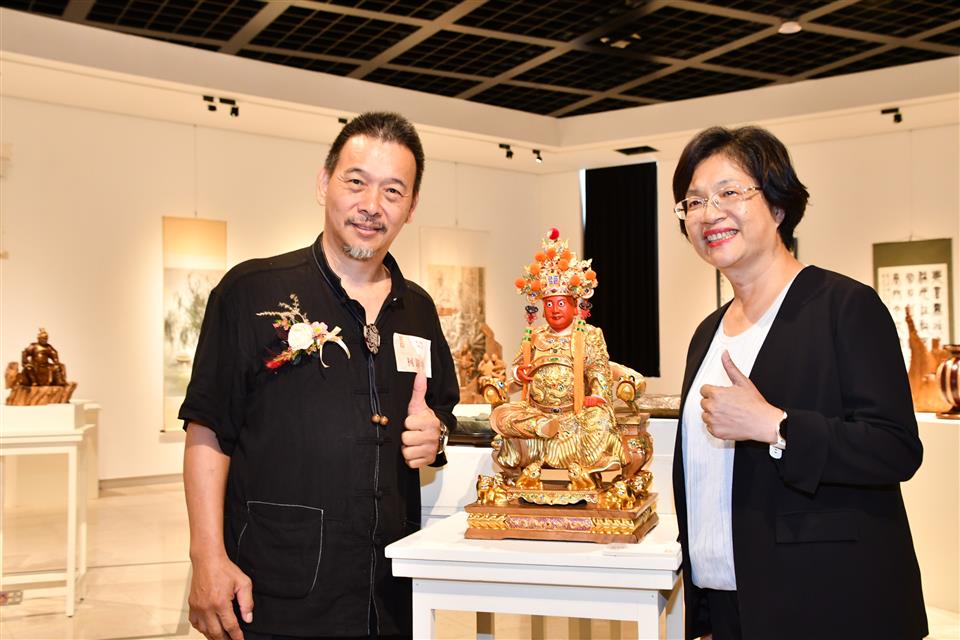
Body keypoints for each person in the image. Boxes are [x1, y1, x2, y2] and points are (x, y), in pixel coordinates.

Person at [180, 112, 459, 640]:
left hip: (390, 592)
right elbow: (208, 430)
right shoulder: (251, 292)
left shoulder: (417, 309)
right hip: (274, 592)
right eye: (356, 182)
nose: (372, 205)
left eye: (393, 191)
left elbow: (440, 408)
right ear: (323, 182)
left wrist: (436, 433)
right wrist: (207, 557)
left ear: (411, 206)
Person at [671, 125, 926, 640]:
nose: (709, 214)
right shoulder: (706, 334)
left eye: (729, 193)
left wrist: (777, 426)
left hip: (830, 604)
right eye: (694, 202)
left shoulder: (845, 307)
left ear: (778, 206)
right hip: (731, 606)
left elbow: (896, 448)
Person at [490, 229, 626, 490]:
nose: (554, 310)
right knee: (501, 415)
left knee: (598, 418)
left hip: (574, 413)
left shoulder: (589, 334)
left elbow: (598, 370)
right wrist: (519, 374)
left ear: (575, 306)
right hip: (537, 412)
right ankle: (541, 427)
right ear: (542, 309)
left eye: (561, 304)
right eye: (549, 304)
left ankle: (581, 459)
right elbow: (516, 370)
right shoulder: (534, 335)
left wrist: (597, 396)